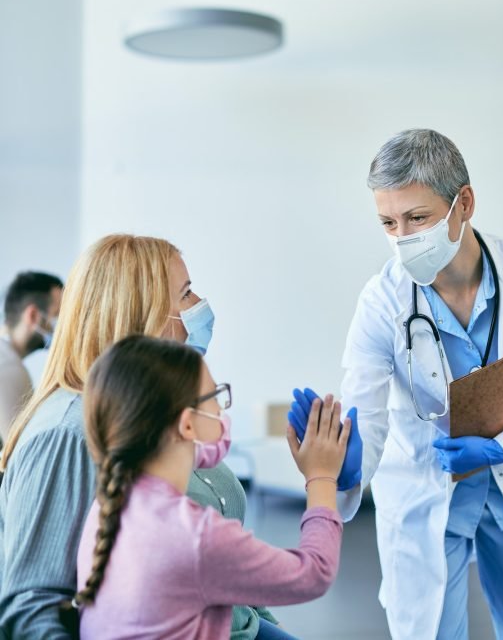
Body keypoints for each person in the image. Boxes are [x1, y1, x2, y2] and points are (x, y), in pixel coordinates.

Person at [289, 129, 503, 640]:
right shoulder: (381, 302)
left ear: (464, 203)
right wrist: (346, 468)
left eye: (418, 218)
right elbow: (368, 410)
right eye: (388, 222)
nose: (403, 237)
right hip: (426, 492)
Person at [0, 235, 289, 639]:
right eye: (186, 294)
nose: (200, 306)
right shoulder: (67, 433)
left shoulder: (150, 408)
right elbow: (33, 610)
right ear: (141, 314)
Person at [67, 334, 349, 639]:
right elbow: (314, 573)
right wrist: (321, 476)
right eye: (215, 396)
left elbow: (185, 452)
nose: (221, 409)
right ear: (187, 424)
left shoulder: (113, 502)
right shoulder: (196, 534)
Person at [0, 271, 63, 443]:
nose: (63, 326)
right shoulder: (8, 367)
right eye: (58, 315)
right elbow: (20, 451)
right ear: (33, 315)